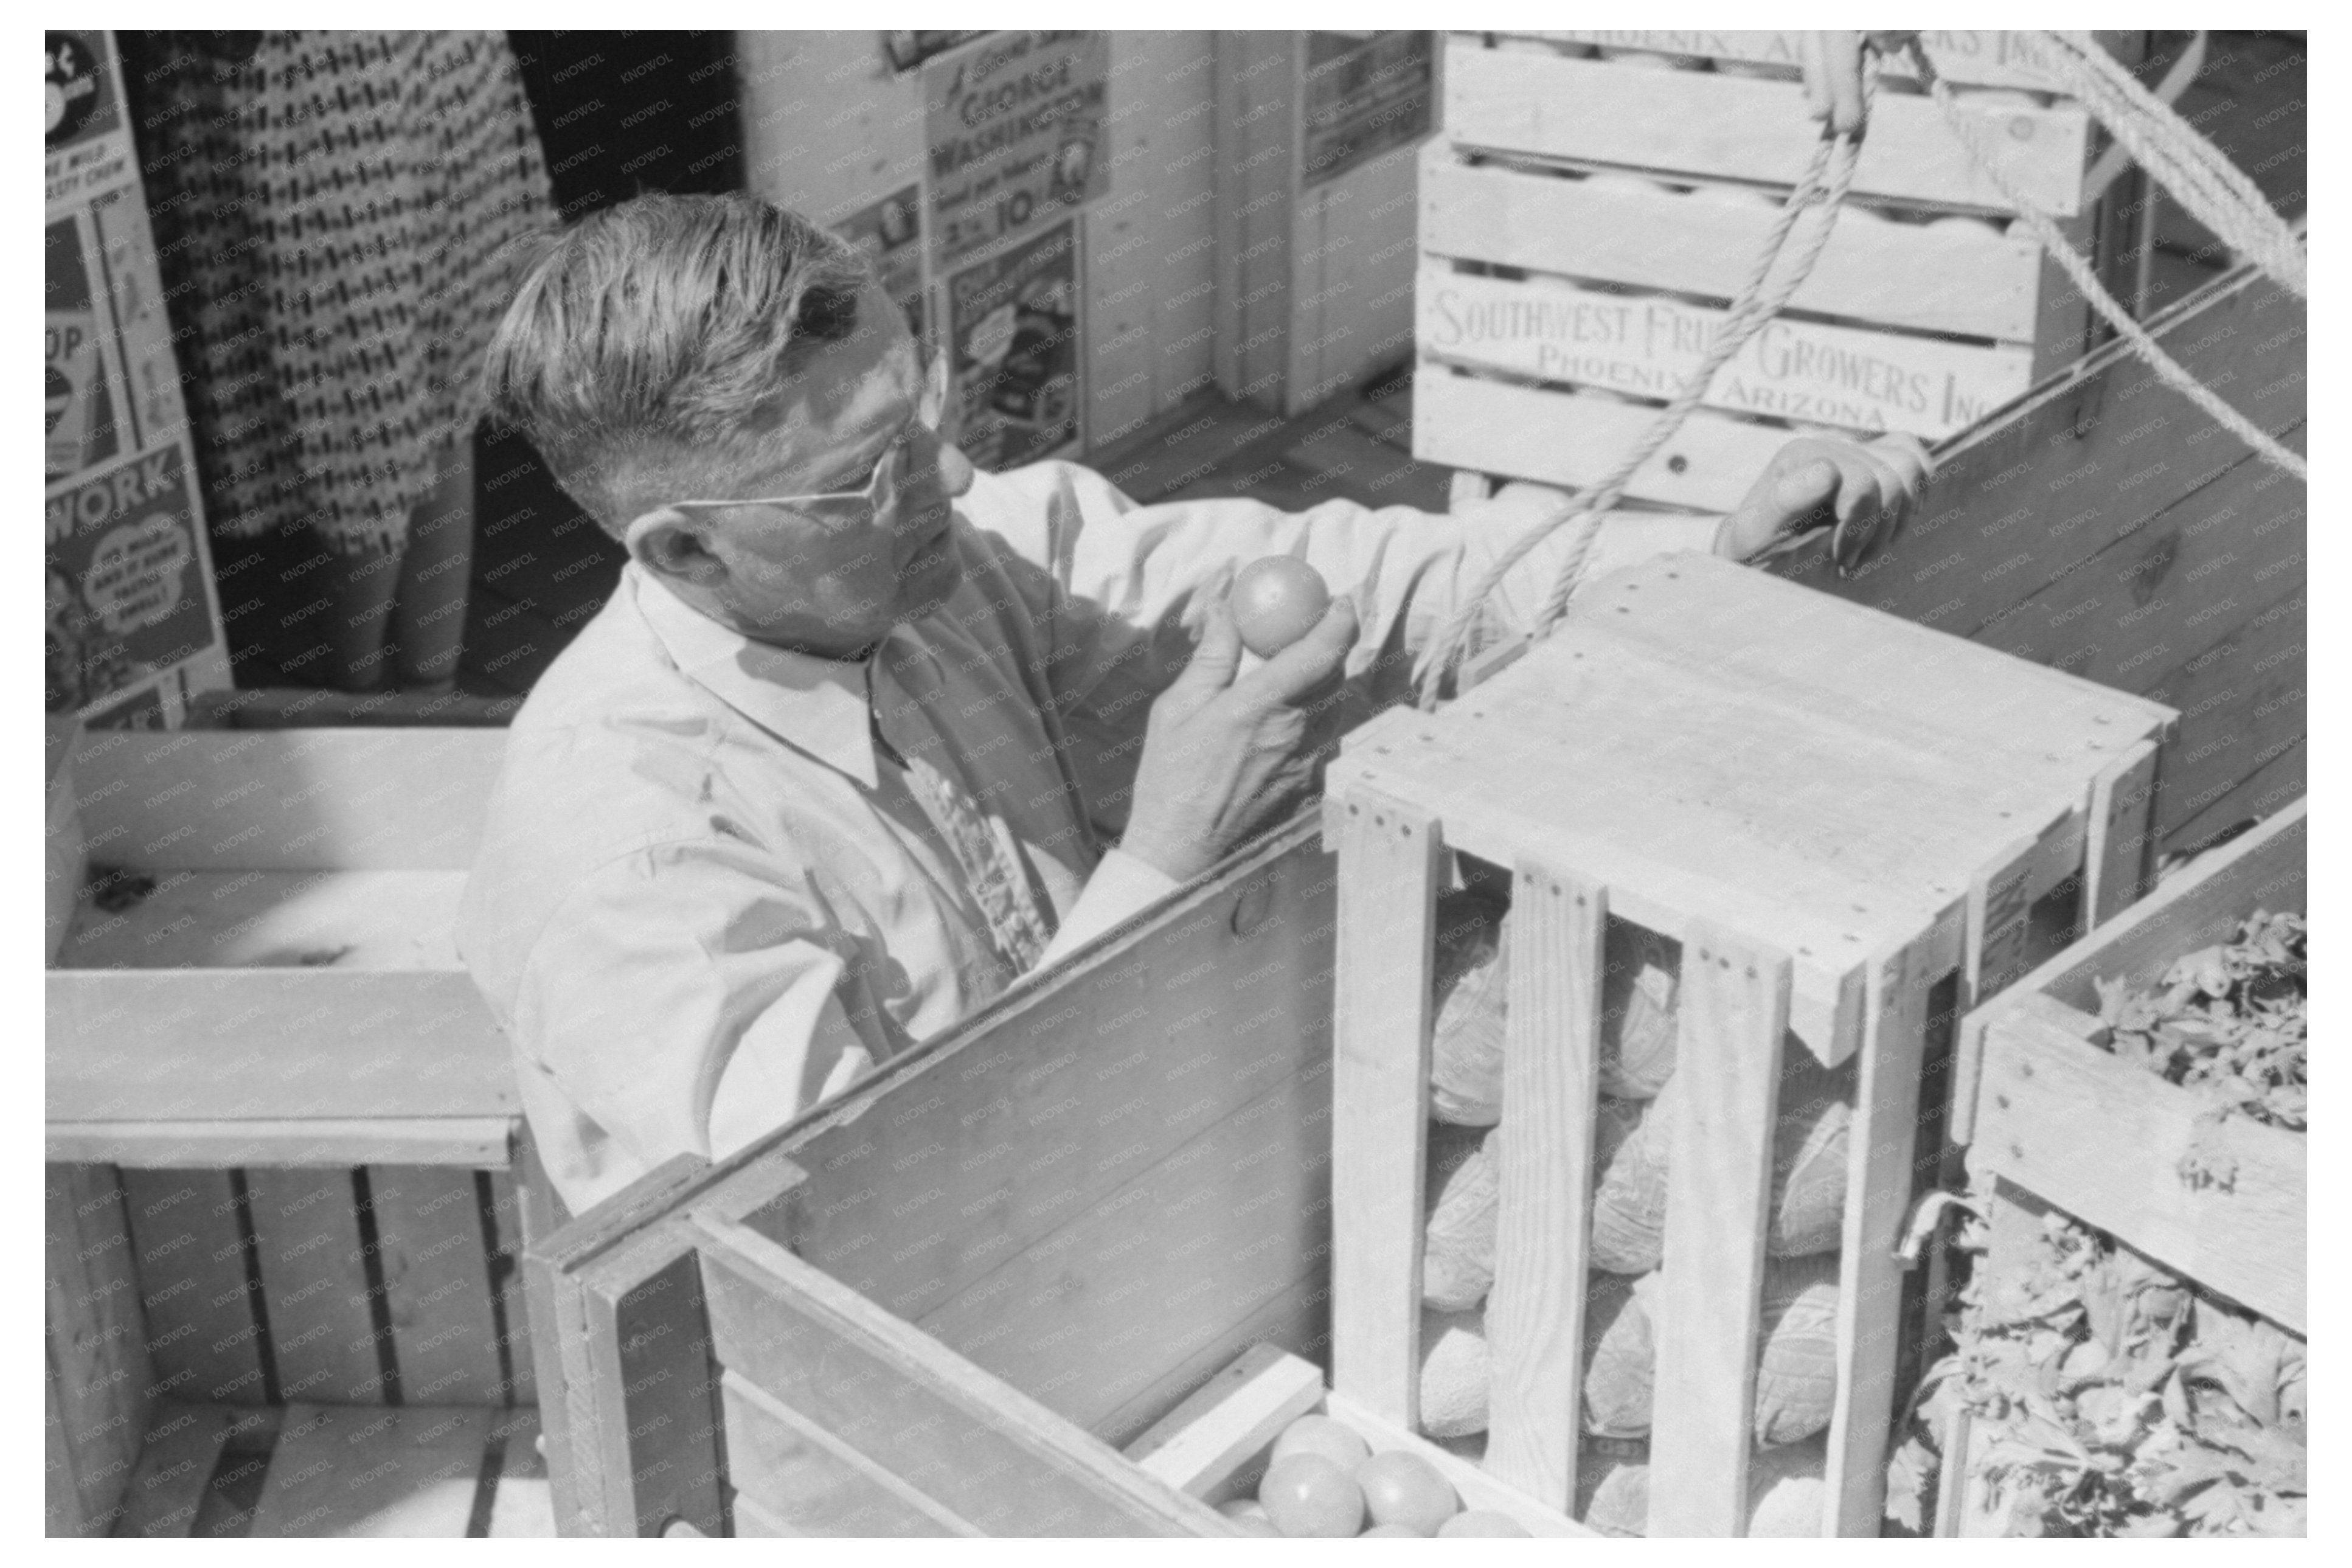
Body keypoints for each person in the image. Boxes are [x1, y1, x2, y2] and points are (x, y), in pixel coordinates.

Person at [456, 193, 1927, 1215]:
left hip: (1124, 1210)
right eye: (872, 473)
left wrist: (1697, 563)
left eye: (922, 411)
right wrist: (1164, 854)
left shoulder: (961, 565)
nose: (950, 480)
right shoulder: (625, 857)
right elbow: (874, 1213)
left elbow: (1367, 584)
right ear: (685, 550)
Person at [122, 30, 553, 693]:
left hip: (346, 73)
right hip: (371, 64)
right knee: (401, 398)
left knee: (398, 402)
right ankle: (397, 695)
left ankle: (382, 698)